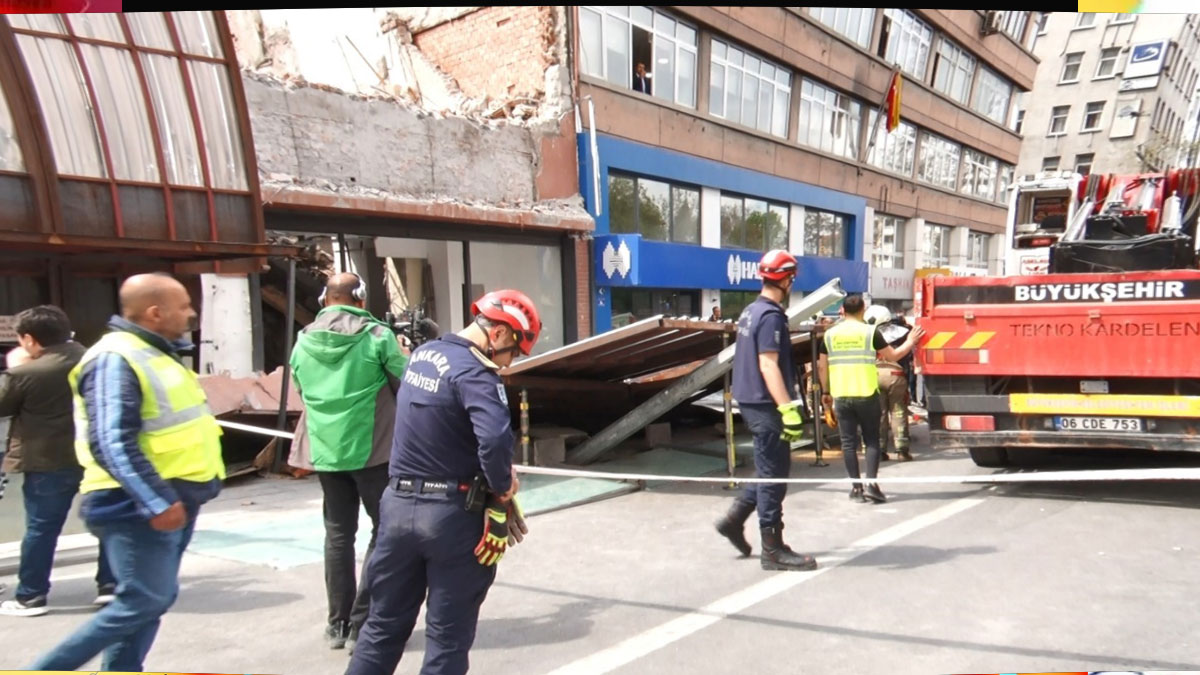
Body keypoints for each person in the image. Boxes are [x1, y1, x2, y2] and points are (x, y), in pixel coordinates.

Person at [28, 273, 224, 672]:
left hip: (169, 500)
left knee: (150, 602)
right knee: (143, 600)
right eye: (184, 305)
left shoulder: (154, 353)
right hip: (135, 504)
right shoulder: (115, 358)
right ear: (155, 312)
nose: (191, 313)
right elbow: (111, 440)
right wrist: (156, 500)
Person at [346, 289, 537, 675]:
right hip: (451, 516)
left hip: (397, 509)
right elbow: (495, 439)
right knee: (447, 639)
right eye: (514, 350)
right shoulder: (477, 374)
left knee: (382, 627)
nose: (509, 362)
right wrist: (501, 491)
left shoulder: (421, 357)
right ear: (499, 333)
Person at [290, 272, 409, 652]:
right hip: (373, 450)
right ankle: (363, 621)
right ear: (359, 299)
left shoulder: (303, 340)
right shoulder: (377, 336)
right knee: (384, 530)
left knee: (338, 535)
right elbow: (404, 384)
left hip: (327, 452)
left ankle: (337, 623)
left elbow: (300, 386)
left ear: (326, 299)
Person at [0, 306, 116, 617]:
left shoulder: (26, 373)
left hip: (47, 461)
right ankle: (110, 587)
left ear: (29, 339)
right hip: (99, 456)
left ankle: (31, 595)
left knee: (42, 528)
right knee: (107, 521)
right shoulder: (98, 360)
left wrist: (14, 365)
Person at [713, 250, 817, 572]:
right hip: (765, 403)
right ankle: (771, 549)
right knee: (775, 477)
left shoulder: (750, 311)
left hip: (750, 399)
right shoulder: (771, 315)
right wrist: (788, 407)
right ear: (787, 280)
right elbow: (768, 364)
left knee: (769, 467)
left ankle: (735, 518)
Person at [818, 294, 923, 504]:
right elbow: (893, 356)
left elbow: (822, 366)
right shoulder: (870, 332)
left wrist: (825, 393)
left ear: (843, 310)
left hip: (842, 395)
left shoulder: (829, 335)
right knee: (872, 440)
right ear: (863, 310)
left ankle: (856, 489)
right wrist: (911, 341)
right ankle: (872, 485)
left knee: (848, 443)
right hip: (866, 394)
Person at [865, 305, 914, 462]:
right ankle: (902, 451)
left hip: (874, 375)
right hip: (896, 376)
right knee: (898, 412)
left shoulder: (865, 334)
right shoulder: (902, 334)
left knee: (879, 414)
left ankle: (880, 451)